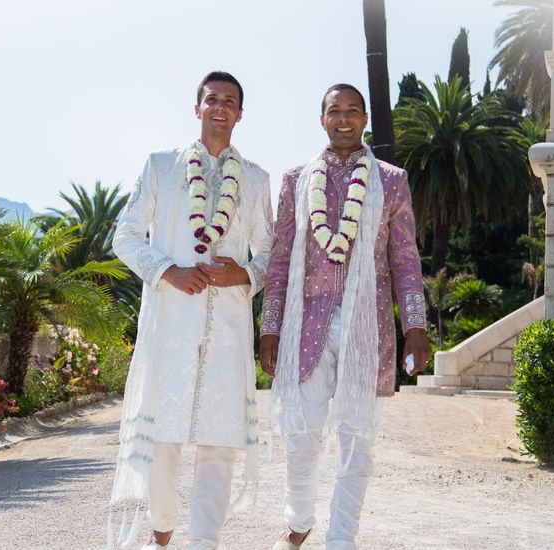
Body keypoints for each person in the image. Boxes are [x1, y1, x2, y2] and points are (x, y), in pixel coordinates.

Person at [259, 83, 430, 549]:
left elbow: (406, 260)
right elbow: (279, 259)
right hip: (304, 323)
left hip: (367, 325)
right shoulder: (297, 180)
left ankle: (341, 540)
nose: (344, 119)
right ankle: (298, 522)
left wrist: (415, 327)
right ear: (322, 119)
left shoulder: (391, 180)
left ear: (365, 119)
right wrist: (269, 327)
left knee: (357, 438)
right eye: (335, 111)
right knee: (300, 432)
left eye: (353, 111)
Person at [109, 70, 274, 550]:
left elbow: (269, 253)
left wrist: (243, 274)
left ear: (240, 113)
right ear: (196, 107)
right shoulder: (161, 167)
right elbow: (125, 236)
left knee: (220, 441)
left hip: (226, 326)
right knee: (164, 434)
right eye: (211, 99)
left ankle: (204, 541)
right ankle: (161, 533)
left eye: (229, 101)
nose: (219, 107)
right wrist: (168, 271)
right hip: (171, 324)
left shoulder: (258, 178)